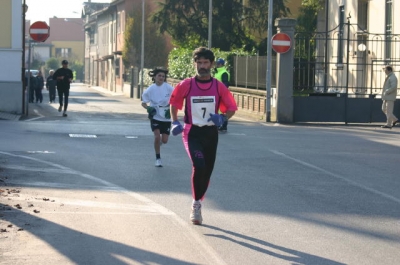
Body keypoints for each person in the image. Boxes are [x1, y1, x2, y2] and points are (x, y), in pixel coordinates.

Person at [169, 47, 238, 225]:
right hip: (192, 132)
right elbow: (174, 102)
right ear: (195, 64)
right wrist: (175, 121)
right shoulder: (187, 84)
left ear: (212, 64)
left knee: (206, 172)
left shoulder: (218, 86)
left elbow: (231, 107)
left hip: (210, 133)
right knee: (198, 166)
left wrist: (222, 118)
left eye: (205, 62)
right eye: (199, 63)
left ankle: (198, 200)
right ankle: (196, 205)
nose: (202, 66)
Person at [141, 67, 174, 167]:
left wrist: (171, 110)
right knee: (156, 136)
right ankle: (158, 158)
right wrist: (148, 108)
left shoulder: (169, 88)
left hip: (166, 116)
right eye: (159, 75)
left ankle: (159, 143)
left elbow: (175, 100)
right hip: (155, 116)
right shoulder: (150, 89)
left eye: (163, 76)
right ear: (154, 77)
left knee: (164, 140)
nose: (161, 78)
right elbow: (143, 103)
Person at [214, 58, 231, 133]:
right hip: (217, 94)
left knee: (222, 110)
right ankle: (219, 125)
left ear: (220, 64)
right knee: (218, 110)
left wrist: (221, 93)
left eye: (217, 63)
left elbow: (225, 84)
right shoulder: (217, 73)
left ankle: (223, 125)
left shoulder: (224, 73)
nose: (216, 65)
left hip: (221, 94)